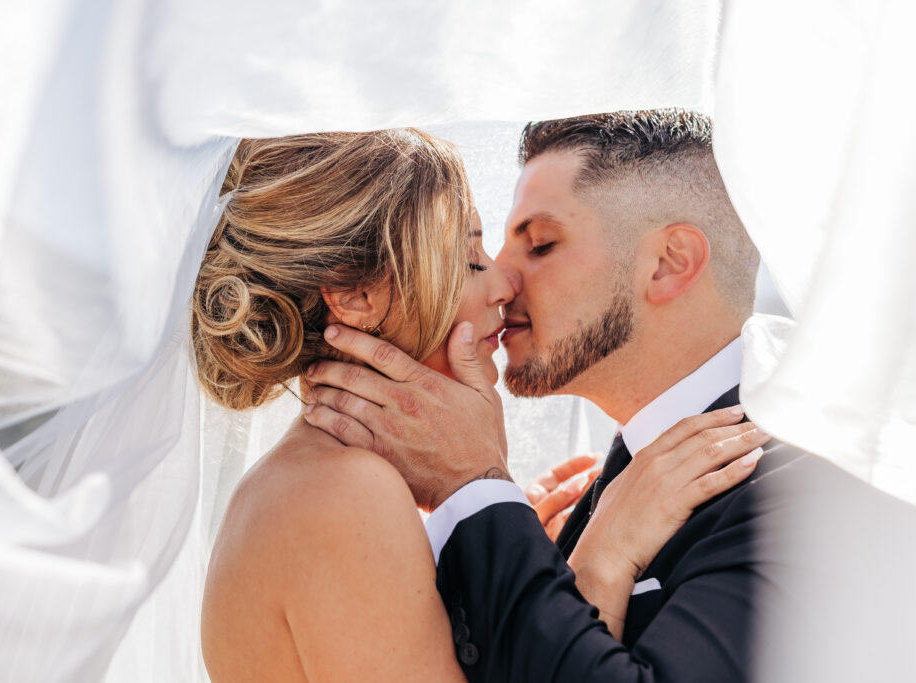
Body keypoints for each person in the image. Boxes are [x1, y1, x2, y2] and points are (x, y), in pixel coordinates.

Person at [303, 110, 916, 681]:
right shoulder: (606, 491)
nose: (502, 278)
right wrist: (566, 564)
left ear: (668, 263)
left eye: (541, 243)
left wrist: (475, 488)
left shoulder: (815, 487)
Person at [195, 128, 768, 682]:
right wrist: (594, 565)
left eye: (540, 245)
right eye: (471, 261)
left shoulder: (333, 483)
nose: (502, 285)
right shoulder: (344, 493)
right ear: (356, 296)